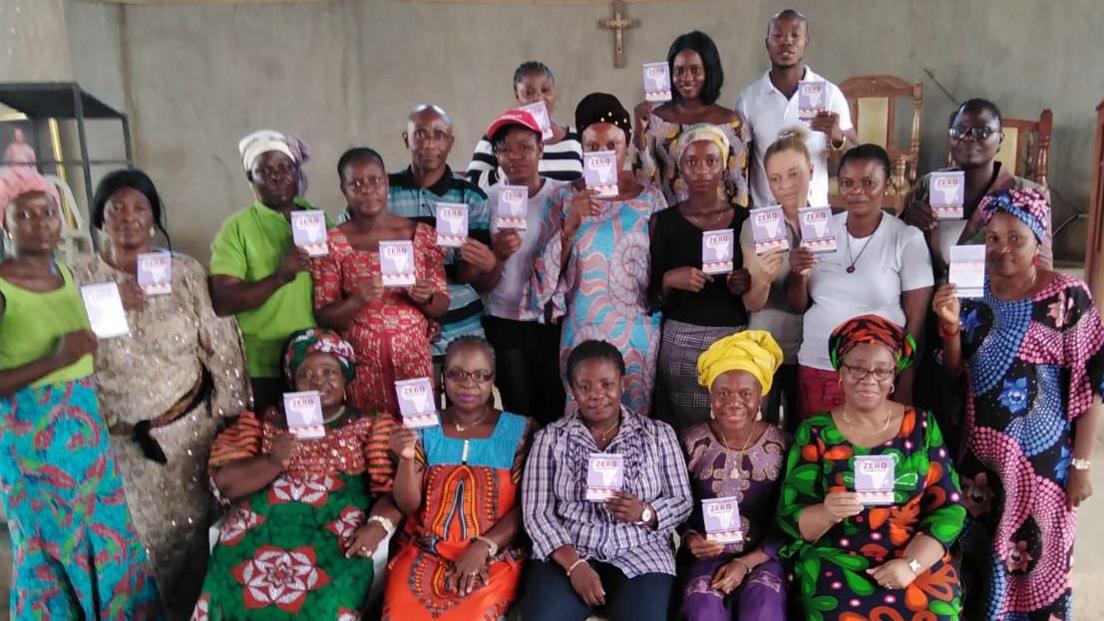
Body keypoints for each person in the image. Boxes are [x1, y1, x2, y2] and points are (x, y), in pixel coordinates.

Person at [70, 169, 249, 619]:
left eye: (139, 208)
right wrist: (109, 301)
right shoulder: (79, 277)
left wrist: (234, 418)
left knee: (186, 542)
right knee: (121, 543)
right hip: (112, 442)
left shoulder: (184, 271)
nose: (128, 218)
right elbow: (64, 345)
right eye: (116, 210)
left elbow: (221, 344)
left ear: (153, 217)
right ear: (100, 218)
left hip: (183, 438)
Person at [932, 188, 1103, 620]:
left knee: (1036, 557)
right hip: (978, 461)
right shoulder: (970, 291)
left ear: (1038, 240)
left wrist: (1082, 466)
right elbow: (954, 372)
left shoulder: (1068, 295)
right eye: (992, 238)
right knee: (976, 562)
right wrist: (949, 327)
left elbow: (1093, 382)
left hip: (1044, 465)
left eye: (1016, 237)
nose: (1002, 248)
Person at [0, 167, 162, 619]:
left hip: (85, 432)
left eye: (48, 212)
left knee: (108, 539)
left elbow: (73, 336)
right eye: (25, 215)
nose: (40, 223)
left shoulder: (68, 278)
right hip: (32, 442)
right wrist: (52, 360)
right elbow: (56, 351)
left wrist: (113, 304)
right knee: (49, 547)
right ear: (5, 224)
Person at [194, 328, 403, 619]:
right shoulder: (265, 423)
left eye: (329, 372)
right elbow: (226, 485)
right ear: (293, 382)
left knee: (327, 602)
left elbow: (391, 492)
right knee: (227, 588)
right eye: (306, 374)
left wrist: (378, 526)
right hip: (260, 528)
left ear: (345, 379)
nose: (318, 381)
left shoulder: (371, 425)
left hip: (336, 532)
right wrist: (273, 461)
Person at [778, 315, 966, 619]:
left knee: (936, 611)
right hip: (837, 556)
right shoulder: (815, 432)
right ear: (840, 371)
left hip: (912, 553)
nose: (868, 379)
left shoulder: (920, 426)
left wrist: (911, 565)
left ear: (894, 376)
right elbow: (791, 516)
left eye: (881, 371)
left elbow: (949, 507)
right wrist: (827, 511)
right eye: (857, 368)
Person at [521, 340, 692, 621]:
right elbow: (536, 513)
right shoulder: (551, 439)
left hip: (641, 551)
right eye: (584, 387)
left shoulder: (659, 434)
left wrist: (647, 512)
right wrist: (574, 566)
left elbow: (682, 501)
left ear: (622, 384)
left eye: (606, 384)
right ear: (572, 390)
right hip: (570, 550)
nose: (596, 395)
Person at [524, 92, 666, 417]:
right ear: (581, 150)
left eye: (611, 147)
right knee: (584, 417)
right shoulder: (563, 198)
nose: (602, 155)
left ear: (627, 145)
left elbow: (662, 271)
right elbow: (540, 283)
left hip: (636, 333)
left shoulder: (650, 199)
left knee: (634, 420)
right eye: (592, 148)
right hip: (583, 328)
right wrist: (570, 227)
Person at [381, 337, 536, 619]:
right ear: (443, 377)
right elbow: (407, 505)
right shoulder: (422, 427)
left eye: (480, 375)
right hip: (423, 552)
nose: (468, 384)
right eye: (457, 374)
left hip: (493, 556)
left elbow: (530, 506)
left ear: (494, 379)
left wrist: (483, 546)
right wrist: (405, 457)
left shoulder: (521, 431)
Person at [348, 104, 500, 385]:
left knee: (466, 411)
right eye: (420, 134)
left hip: (461, 329)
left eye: (439, 135)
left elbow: (472, 277)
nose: (429, 143)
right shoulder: (380, 190)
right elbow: (347, 246)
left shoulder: (471, 197)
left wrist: (490, 259)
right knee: (410, 418)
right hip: (398, 331)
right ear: (406, 139)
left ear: (451, 142)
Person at [787, 144, 933, 417]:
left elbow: (917, 323)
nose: (856, 191)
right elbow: (797, 305)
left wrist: (906, 380)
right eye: (847, 183)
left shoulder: (906, 238)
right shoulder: (820, 230)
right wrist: (798, 274)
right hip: (818, 364)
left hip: (874, 376)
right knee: (819, 453)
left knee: (868, 455)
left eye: (868, 182)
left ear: (886, 185)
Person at [312, 147, 449, 414]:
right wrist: (357, 301)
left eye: (374, 180)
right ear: (344, 189)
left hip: (414, 365)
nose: (366, 189)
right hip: (362, 370)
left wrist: (427, 298)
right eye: (356, 183)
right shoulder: (332, 242)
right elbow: (325, 315)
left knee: (417, 444)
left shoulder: (422, 236)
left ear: (386, 181)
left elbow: (441, 304)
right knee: (371, 444)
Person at [209, 129, 330, 412]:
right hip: (262, 365)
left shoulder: (320, 219)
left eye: (284, 168)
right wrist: (279, 277)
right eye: (264, 171)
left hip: (316, 363)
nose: (276, 176)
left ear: (297, 173)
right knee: (268, 443)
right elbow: (223, 301)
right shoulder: (236, 228)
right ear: (251, 180)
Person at [649, 123, 757, 429]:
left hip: (731, 337)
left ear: (724, 167)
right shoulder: (664, 222)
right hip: (681, 339)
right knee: (684, 429)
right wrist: (671, 279)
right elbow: (651, 294)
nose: (702, 171)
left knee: (729, 424)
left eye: (711, 161)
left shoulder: (744, 220)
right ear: (681, 168)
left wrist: (744, 282)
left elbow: (760, 283)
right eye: (692, 162)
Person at [679, 330, 790, 621]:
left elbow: (792, 515)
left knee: (763, 605)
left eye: (745, 393)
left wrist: (746, 562)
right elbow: (675, 505)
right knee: (703, 606)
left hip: (765, 555)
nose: (734, 402)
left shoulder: (784, 445)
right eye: (723, 392)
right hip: (705, 554)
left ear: (761, 396)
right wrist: (691, 539)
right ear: (711, 397)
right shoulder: (690, 441)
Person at [481, 109, 569, 425]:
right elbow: (475, 277)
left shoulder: (563, 194)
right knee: (517, 411)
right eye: (504, 149)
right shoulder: (487, 199)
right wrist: (498, 253)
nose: (514, 156)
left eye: (524, 147)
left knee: (553, 408)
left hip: (550, 320)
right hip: (504, 321)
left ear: (541, 148)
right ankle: (519, 472)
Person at [903, 98, 1053, 278]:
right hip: (931, 300)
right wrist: (906, 221)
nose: (969, 138)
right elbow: (898, 250)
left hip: (998, 301)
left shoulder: (1028, 194)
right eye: (959, 131)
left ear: (1000, 140)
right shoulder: (929, 184)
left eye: (983, 132)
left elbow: (1042, 269)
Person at [734, 9, 856, 208]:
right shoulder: (748, 99)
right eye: (778, 35)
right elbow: (741, 164)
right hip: (766, 215)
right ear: (767, 44)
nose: (786, 41)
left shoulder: (829, 94)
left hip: (814, 212)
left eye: (795, 35)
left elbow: (855, 158)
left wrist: (837, 138)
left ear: (806, 42)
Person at [632, 31, 750, 210]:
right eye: (679, 71)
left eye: (695, 70)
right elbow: (646, 182)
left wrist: (737, 228)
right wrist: (640, 132)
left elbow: (739, 185)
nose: (686, 78)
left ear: (709, 72)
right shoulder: (656, 120)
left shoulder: (731, 123)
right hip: (671, 224)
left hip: (719, 227)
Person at [740, 129, 809, 430]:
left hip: (812, 349)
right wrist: (764, 278)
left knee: (804, 430)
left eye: (794, 174)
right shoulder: (757, 227)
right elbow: (753, 304)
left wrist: (801, 273)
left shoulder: (831, 223)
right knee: (762, 431)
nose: (786, 186)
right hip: (764, 346)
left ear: (811, 171)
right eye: (775, 178)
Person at [466, 61, 583, 189]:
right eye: (528, 93)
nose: (539, 98)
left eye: (545, 90)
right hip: (511, 208)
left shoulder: (576, 138)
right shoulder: (496, 136)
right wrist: (506, 169)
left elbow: (588, 184)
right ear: (517, 96)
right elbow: (471, 183)